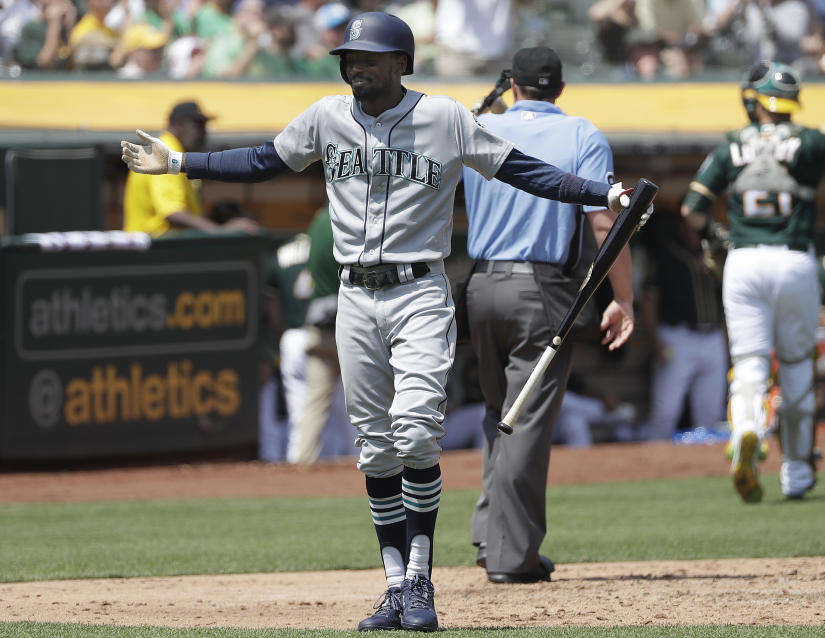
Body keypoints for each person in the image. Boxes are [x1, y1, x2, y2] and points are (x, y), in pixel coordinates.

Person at [121, 11, 634, 632]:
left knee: (416, 433)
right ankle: (393, 587)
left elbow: (521, 169)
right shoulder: (325, 117)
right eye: (350, 57)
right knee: (374, 450)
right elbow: (262, 161)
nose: (355, 65)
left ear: (401, 63)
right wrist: (178, 165)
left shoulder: (445, 117)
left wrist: (598, 194)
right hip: (353, 299)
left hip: (420, 291)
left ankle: (419, 579)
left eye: (368, 57)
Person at [460, 46, 635, 584]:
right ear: (559, 89)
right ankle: (514, 558)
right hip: (540, 288)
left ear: (512, 86)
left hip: (480, 283)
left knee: (500, 414)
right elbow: (606, 223)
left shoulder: (477, 127)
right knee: (526, 423)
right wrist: (621, 298)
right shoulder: (581, 132)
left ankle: (492, 538)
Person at [680, 55, 825, 502]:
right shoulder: (808, 141)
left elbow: (691, 211)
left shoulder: (730, 145)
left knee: (751, 363)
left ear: (756, 101)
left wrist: (714, 237)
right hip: (794, 262)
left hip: (744, 261)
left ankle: (747, 432)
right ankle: (795, 470)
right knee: (795, 365)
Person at [638, 209, 726, 441]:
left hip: (712, 336)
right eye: (690, 225)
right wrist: (655, 342)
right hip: (677, 337)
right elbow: (649, 300)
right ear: (680, 226)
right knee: (666, 410)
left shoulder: (717, 255)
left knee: (710, 412)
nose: (694, 231)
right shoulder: (666, 255)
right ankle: (651, 466)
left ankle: (705, 469)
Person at [122, 101, 260, 236]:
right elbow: (172, 212)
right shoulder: (167, 152)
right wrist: (220, 231)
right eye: (198, 125)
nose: (203, 132)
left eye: (204, 126)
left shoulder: (176, 152)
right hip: (150, 250)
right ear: (178, 125)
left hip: (157, 248)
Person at [283, 210, 344, 464]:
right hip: (353, 322)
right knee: (374, 403)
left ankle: (301, 465)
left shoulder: (318, 220)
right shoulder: (350, 216)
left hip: (319, 324)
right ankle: (385, 468)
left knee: (315, 403)